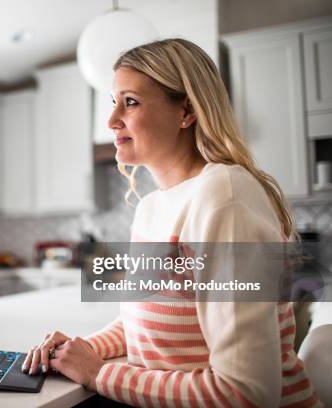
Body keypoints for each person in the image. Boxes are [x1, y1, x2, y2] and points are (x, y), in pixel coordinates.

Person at [22, 38, 322, 407]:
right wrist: (78, 351)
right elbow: (145, 328)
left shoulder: (224, 198)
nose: (112, 119)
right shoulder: (151, 207)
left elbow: (246, 394)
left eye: (130, 102)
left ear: (187, 111)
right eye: (113, 101)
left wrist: (99, 373)